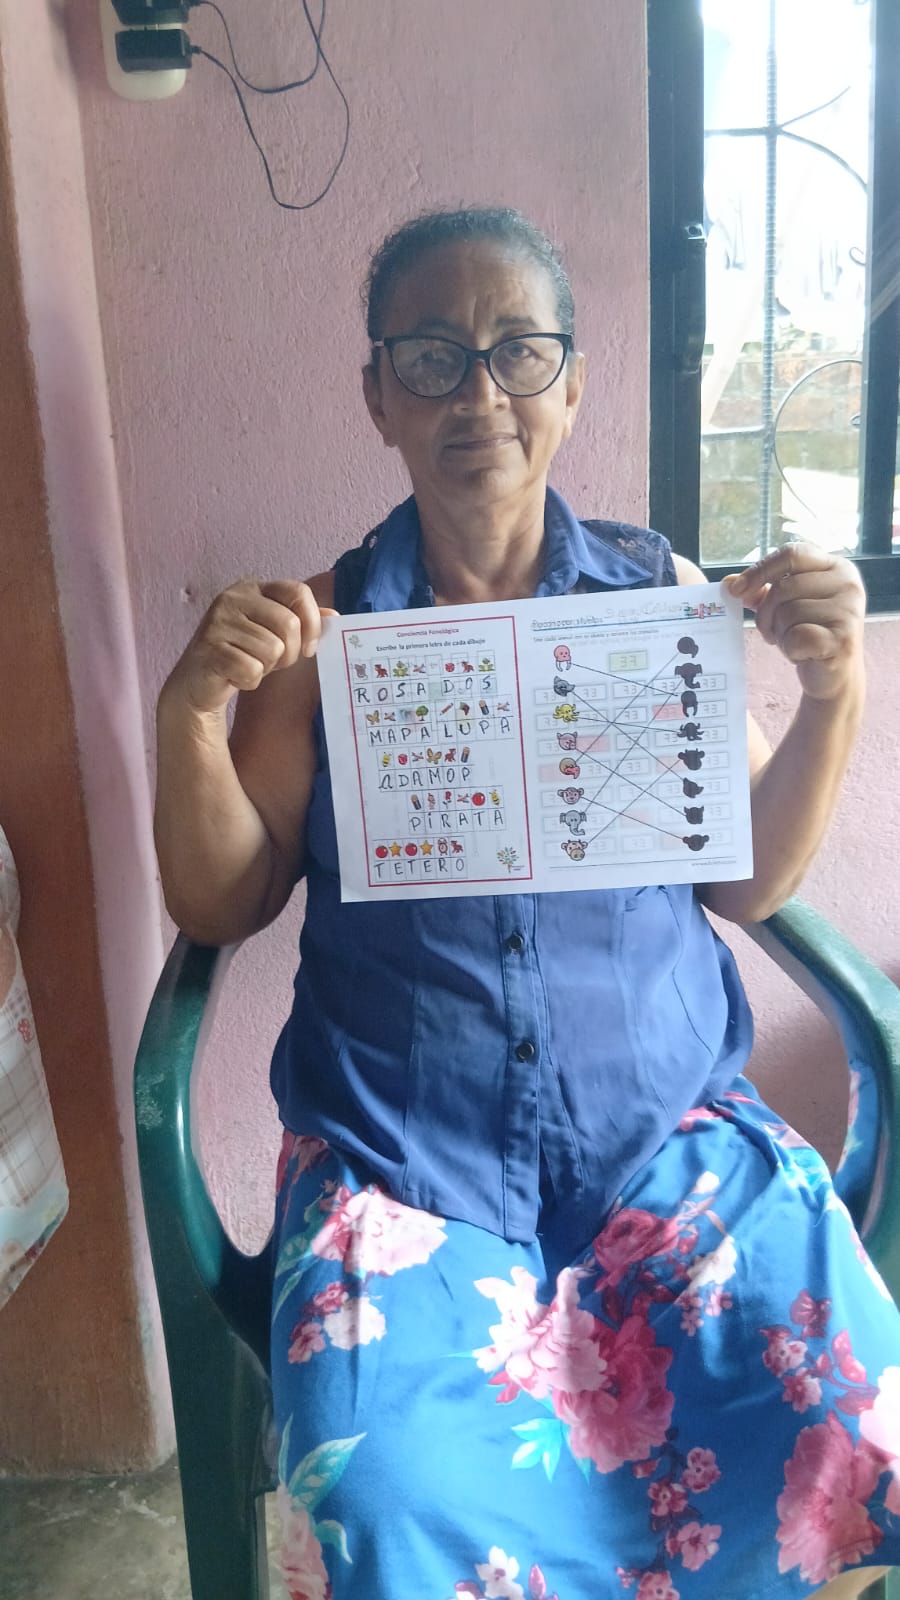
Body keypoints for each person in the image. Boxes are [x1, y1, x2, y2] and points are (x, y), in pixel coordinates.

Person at [154, 208, 898, 1600]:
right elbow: (223, 897)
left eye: (518, 352)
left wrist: (833, 690)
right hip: (399, 1158)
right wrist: (192, 714)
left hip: (664, 1130)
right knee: (379, 1489)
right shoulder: (324, 635)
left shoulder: (655, 600)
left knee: (851, 1413)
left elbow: (750, 875)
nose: (479, 393)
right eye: (433, 357)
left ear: (572, 382)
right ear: (378, 394)